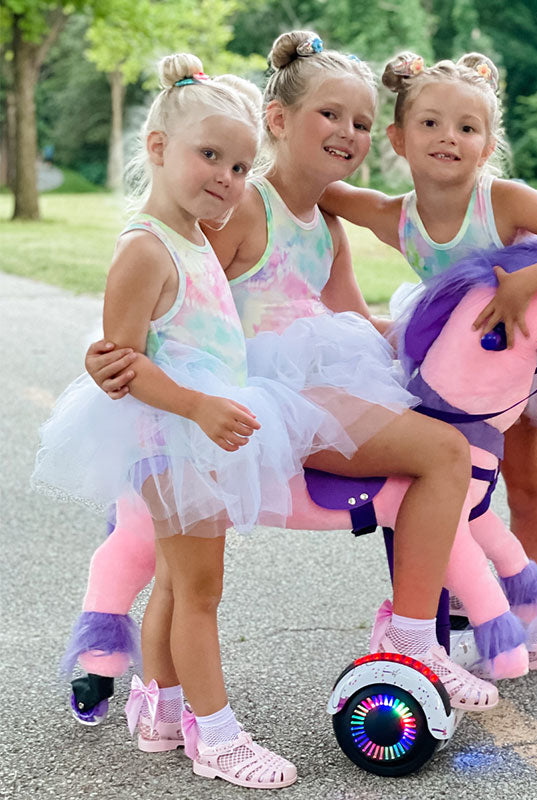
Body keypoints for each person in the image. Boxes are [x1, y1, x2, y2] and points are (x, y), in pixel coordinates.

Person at [72, 32, 498, 737]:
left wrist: (450, 336)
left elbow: (353, 317)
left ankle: (427, 625)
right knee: (443, 453)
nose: (348, 133)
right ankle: (413, 639)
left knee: (450, 438)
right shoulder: (242, 202)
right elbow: (174, 285)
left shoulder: (327, 223)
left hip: (320, 379)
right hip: (259, 389)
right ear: (278, 120)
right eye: (329, 115)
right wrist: (120, 358)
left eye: (362, 123)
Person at [32, 53, 355, 788]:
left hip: (190, 431)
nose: (226, 179)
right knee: (202, 589)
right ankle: (218, 736)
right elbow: (125, 364)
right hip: (168, 432)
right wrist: (200, 407)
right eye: (209, 156)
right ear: (158, 150)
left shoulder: (191, 236)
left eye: (241, 168)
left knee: (179, 583)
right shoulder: (145, 247)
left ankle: (161, 710)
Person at [318, 51, 537, 694]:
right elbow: (321, 189)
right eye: (431, 124)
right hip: (479, 387)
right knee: (509, 497)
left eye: (468, 128)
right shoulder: (396, 217)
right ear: (399, 139)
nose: (449, 138)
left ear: (488, 144)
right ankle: (530, 627)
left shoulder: (504, 201)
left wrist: (524, 285)